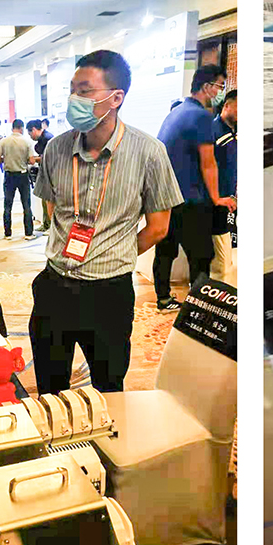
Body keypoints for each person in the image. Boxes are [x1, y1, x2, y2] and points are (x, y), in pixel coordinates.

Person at [31, 49, 183, 393]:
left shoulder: (149, 152)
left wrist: (114, 251)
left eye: (84, 91)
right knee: (49, 388)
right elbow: (52, 209)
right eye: (72, 90)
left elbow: (159, 227)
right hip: (54, 285)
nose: (74, 99)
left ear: (116, 98)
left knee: (108, 387)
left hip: (108, 293)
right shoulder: (56, 149)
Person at [154, 64, 236, 312]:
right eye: (220, 86)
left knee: (166, 250)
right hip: (190, 199)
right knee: (201, 255)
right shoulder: (201, 116)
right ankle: (198, 308)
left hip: (166, 196)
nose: (220, 92)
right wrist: (218, 198)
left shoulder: (177, 112)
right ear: (207, 87)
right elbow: (208, 163)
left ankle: (164, 300)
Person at [211, 89, 237, 282]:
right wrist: (217, 197)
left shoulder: (233, 132)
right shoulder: (213, 132)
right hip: (215, 201)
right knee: (220, 257)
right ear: (227, 105)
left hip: (229, 199)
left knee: (226, 254)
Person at [0, 118, 36, 240]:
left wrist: (7, 159)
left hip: (9, 175)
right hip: (22, 175)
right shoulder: (27, 141)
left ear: (12, 128)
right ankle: (28, 233)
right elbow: (32, 161)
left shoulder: (3, 142)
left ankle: (8, 234)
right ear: (21, 128)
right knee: (26, 205)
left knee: (7, 205)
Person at [28, 119, 53, 232]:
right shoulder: (43, 138)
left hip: (51, 172)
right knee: (44, 198)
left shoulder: (47, 138)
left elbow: (48, 157)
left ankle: (51, 227)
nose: (30, 137)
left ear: (34, 130)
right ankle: (46, 224)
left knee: (49, 200)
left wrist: (34, 159)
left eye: (30, 134)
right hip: (45, 171)